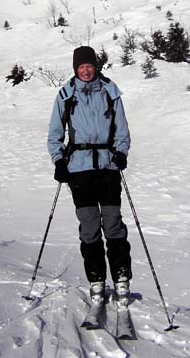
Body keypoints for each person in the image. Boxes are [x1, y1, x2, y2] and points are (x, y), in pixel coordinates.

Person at [47, 46, 132, 305]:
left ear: (96, 66)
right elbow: (54, 133)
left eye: (89, 65)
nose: (85, 70)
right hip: (79, 169)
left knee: (113, 222)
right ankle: (96, 279)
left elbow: (122, 129)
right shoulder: (66, 94)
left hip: (107, 166)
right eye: (81, 66)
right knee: (90, 225)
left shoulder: (110, 91)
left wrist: (121, 152)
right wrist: (59, 160)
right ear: (75, 68)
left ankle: (121, 277)